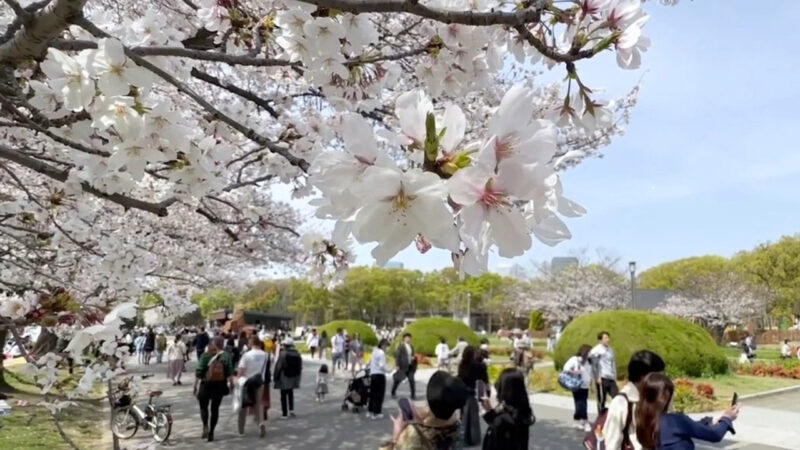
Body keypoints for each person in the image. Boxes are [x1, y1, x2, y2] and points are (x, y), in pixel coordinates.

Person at [636, 372, 738, 450]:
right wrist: (727, 418)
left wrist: (711, 421)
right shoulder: (674, 421)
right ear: (666, 397)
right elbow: (715, 435)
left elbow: (688, 427)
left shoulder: (643, 421)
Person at [381, 370, 469, 450]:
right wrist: (421, 421)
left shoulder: (413, 435)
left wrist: (396, 436)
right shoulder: (458, 429)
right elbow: (440, 421)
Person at [603, 350, 667, 450]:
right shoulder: (621, 402)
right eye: (657, 377)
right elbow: (612, 442)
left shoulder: (657, 397)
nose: (661, 381)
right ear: (643, 376)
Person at [480, 368, 535, 450]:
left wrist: (489, 413)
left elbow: (495, 437)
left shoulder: (503, 419)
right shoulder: (522, 411)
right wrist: (490, 412)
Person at [194, 336, 234, 442]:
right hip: (219, 385)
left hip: (205, 384)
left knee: (203, 407)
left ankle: (205, 426)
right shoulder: (226, 356)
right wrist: (231, 384)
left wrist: (195, 386)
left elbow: (199, 372)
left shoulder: (206, 355)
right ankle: (212, 431)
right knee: (215, 409)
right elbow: (230, 372)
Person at [237, 335, 268, 438]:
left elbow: (240, 371)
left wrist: (237, 381)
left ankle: (241, 429)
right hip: (259, 381)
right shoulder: (265, 355)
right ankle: (261, 424)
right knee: (259, 404)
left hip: (246, 382)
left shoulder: (246, 355)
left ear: (251, 343)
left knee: (244, 405)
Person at [457, 345, 489, 446]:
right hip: (472, 393)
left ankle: (463, 436)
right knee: (473, 417)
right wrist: (486, 393)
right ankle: (473, 439)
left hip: (462, 393)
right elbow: (484, 380)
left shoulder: (462, 365)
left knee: (463, 415)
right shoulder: (478, 366)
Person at [564, 344, 594, 431]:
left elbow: (590, 374)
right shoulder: (575, 359)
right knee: (582, 403)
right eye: (589, 352)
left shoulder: (589, 361)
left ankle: (577, 420)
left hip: (586, 385)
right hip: (577, 384)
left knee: (579, 403)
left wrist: (591, 385)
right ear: (585, 352)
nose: (591, 354)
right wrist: (574, 371)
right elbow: (565, 368)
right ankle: (585, 421)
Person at [273, 337, 302, 419]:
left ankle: (284, 413)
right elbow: (300, 366)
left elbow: (279, 366)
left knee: (283, 395)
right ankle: (291, 410)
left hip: (284, 376)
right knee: (290, 393)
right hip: (293, 376)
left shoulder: (283, 353)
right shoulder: (297, 353)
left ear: (285, 345)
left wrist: (275, 377)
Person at [589, 331, 617, 412]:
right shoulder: (596, 350)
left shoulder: (610, 349)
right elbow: (593, 363)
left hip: (610, 377)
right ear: (600, 340)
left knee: (617, 396)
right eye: (605, 338)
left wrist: (614, 375)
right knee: (602, 399)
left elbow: (613, 363)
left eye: (608, 337)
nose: (607, 339)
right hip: (602, 377)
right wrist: (597, 376)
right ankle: (600, 417)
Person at [368, 339, 390, 419]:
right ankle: (377, 412)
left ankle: (370, 411)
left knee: (372, 394)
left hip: (373, 374)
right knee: (379, 394)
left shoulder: (374, 352)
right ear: (383, 345)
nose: (387, 348)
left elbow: (369, 362)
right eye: (387, 346)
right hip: (380, 375)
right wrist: (388, 370)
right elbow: (381, 366)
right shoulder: (381, 353)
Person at [392, 333, 417, 399]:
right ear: (404, 338)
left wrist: (413, 358)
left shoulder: (411, 346)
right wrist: (397, 365)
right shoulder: (401, 346)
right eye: (407, 338)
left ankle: (413, 394)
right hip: (402, 365)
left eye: (409, 338)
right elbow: (398, 356)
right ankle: (393, 391)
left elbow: (412, 354)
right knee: (398, 380)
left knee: (412, 380)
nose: (408, 339)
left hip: (410, 365)